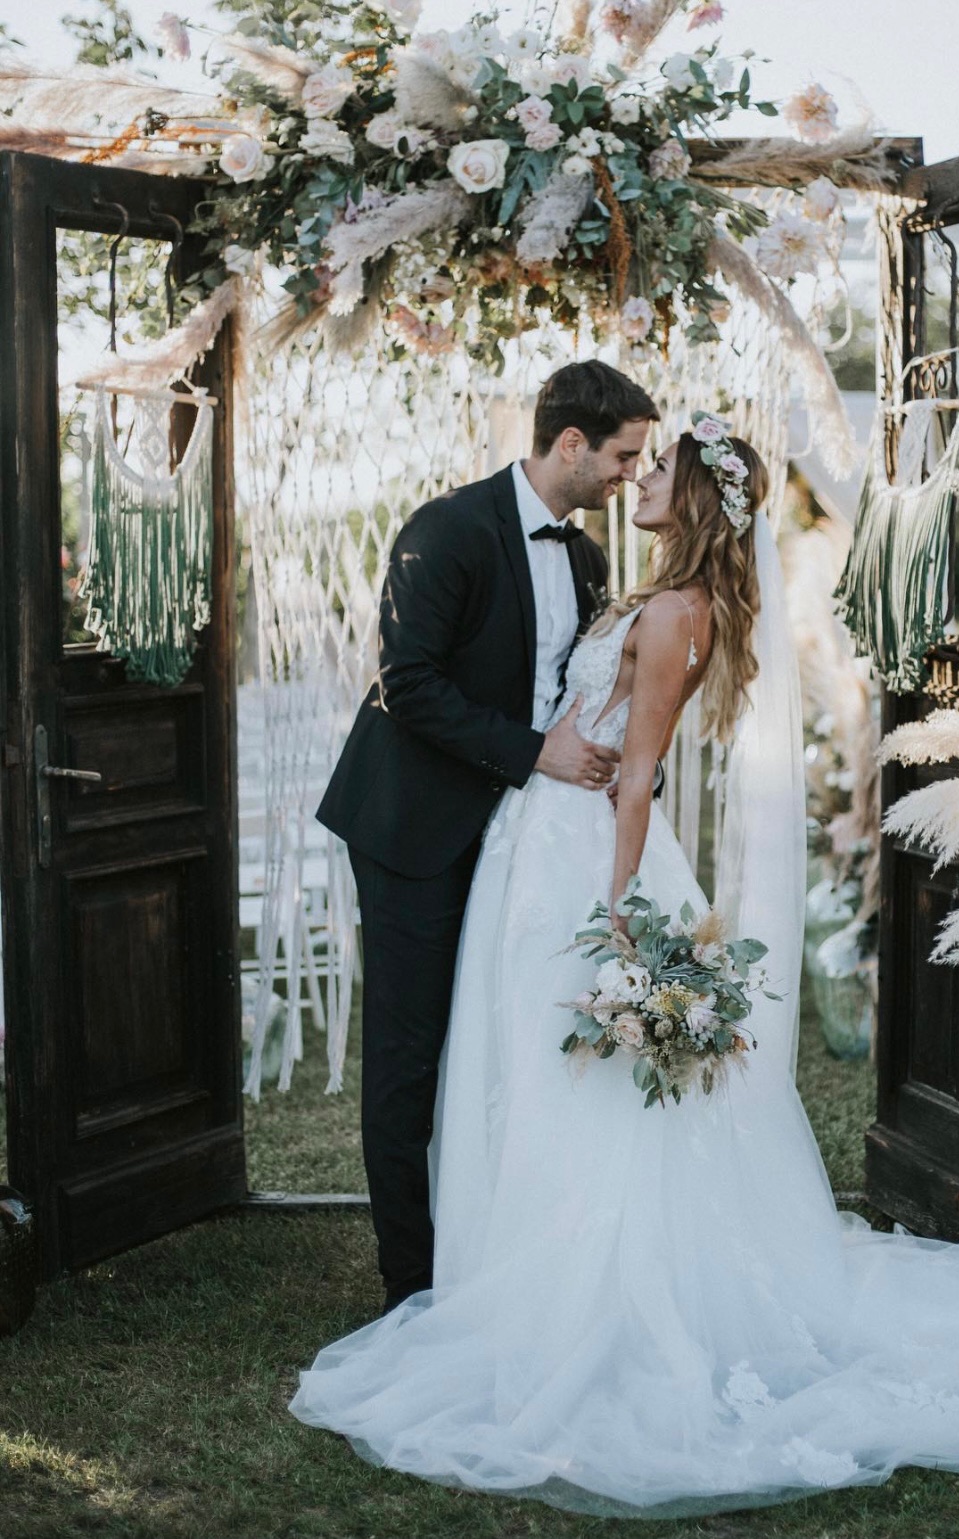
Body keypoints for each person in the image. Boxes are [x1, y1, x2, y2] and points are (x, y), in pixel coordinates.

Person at [292, 418, 959, 1518]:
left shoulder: (674, 614)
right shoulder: (649, 592)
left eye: (655, 469)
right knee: (528, 1063)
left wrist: (613, 912)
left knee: (576, 1079)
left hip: (586, 860)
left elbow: (640, 772)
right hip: (538, 839)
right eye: (631, 459)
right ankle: (492, 1268)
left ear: (698, 499)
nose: (637, 479)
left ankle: (571, 1295)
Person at [315, 360, 659, 1315]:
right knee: (408, 1049)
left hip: (517, 839)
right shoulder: (448, 529)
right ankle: (409, 1284)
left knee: (492, 1042)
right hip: (413, 826)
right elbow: (406, 680)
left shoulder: (588, 559)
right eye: (625, 456)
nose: (634, 474)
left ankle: (480, 1251)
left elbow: (575, 695)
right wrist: (531, 754)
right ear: (572, 444)